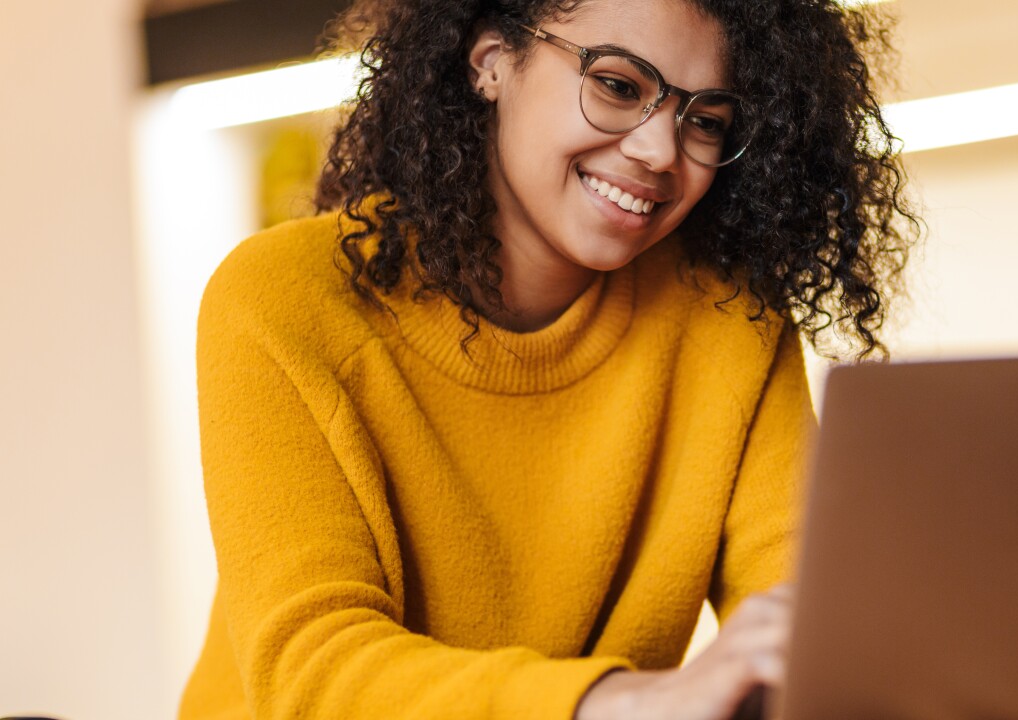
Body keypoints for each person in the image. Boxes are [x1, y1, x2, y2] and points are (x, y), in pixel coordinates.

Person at [177, 0, 915, 717]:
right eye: (619, 86)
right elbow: (314, 672)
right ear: (492, 61)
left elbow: (803, 615)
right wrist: (623, 702)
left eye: (708, 122)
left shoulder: (729, 320)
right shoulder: (285, 299)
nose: (660, 151)